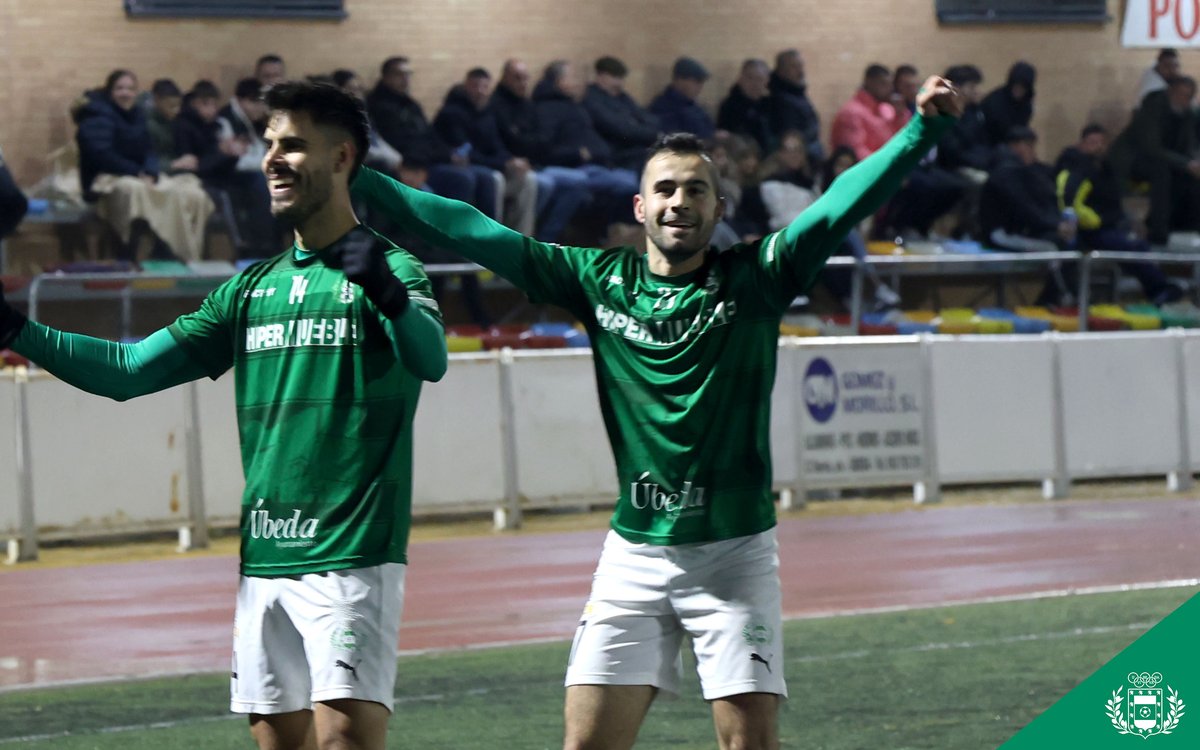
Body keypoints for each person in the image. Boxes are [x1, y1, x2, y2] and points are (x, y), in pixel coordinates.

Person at [353, 76, 960, 750]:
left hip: (733, 554)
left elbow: (838, 206)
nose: (680, 201)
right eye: (666, 189)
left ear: (718, 207)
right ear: (640, 207)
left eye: (696, 190)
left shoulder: (756, 277)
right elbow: (475, 229)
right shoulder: (598, 282)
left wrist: (920, 131)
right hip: (634, 555)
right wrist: (364, 182)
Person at [0, 80, 446, 750]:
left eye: (293, 145)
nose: (272, 159)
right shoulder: (249, 289)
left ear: (342, 158)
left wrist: (383, 290)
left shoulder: (393, 269)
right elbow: (128, 371)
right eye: (269, 144)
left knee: (344, 742)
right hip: (264, 557)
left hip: (351, 558)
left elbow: (430, 357)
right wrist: (13, 329)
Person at [75, 69, 213, 261]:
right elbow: (101, 156)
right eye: (120, 88)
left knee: (180, 191)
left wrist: (150, 171)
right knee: (135, 191)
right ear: (110, 91)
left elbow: (148, 149)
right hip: (104, 178)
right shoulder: (96, 116)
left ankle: (169, 252)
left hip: (136, 173)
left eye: (130, 89)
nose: (125, 93)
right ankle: (127, 254)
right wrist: (136, 172)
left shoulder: (138, 114)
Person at [1056, 123, 1180, 304]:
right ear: (1082, 144)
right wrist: (1097, 221)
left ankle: (1157, 290)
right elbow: (1071, 205)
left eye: (1101, 142)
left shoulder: (1107, 170)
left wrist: (1129, 220)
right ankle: (1159, 290)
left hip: (1111, 226)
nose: (1098, 147)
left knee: (1140, 244)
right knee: (1131, 246)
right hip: (1089, 232)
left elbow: (1116, 203)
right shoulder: (1078, 171)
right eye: (1092, 142)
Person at [1108, 76, 1200, 245]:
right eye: (1182, 94)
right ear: (1170, 92)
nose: (1185, 99)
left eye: (1189, 96)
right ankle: (1158, 233)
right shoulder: (1152, 108)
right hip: (1131, 161)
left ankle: (1188, 227)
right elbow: (1151, 148)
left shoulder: (1188, 114)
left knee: (1190, 178)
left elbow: (1189, 144)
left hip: (1167, 160)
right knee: (1162, 171)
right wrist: (1186, 163)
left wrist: (1194, 162)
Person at [582, 55, 661, 173]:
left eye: (621, 78)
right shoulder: (591, 98)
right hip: (614, 153)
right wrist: (651, 134)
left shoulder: (622, 97)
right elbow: (619, 128)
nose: (619, 82)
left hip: (635, 147)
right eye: (615, 77)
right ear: (601, 76)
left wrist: (651, 132)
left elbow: (647, 118)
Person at [830, 64, 910, 160]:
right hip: (873, 167)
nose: (890, 89)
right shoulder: (851, 113)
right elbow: (855, 152)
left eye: (890, 84)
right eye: (883, 84)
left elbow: (901, 138)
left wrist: (900, 115)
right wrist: (886, 163)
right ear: (869, 82)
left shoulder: (884, 110)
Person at [768, 48, 824, 166]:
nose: (800, 71)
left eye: (801, 66)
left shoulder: (797, 93)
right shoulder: (780, 100)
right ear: (781, 70)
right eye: (794, 66)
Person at [648, 56, 716, 140]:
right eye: (697, 81)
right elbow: (672, 137)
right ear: (680, 80)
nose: (700, 87)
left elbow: (708, 129)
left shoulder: (694, 106)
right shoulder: (663, 107)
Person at [717, 58, 773, 155]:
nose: (755, 83)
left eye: (759, 79)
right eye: (750, 78)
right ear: (740, 79)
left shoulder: (772, 105)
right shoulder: (730, 106)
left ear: (767, 81)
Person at [980, 61, 1036, 147]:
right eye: (1016, 85)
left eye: (1023, 87)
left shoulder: (1026, 104)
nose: (1018, 89)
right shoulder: (994, 102)